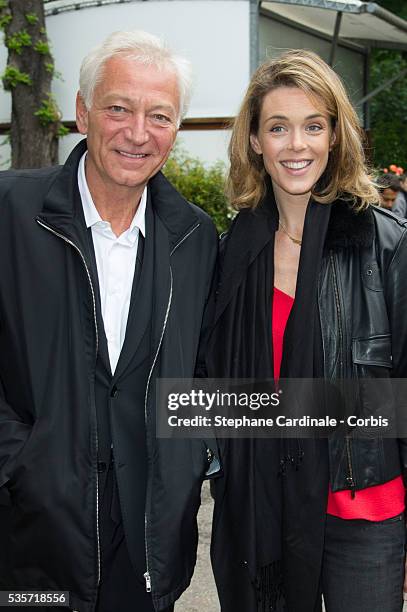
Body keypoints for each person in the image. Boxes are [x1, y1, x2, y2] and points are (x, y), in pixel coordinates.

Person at [0, 30, 219, 612]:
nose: (138, 133)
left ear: (176, 128)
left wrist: (188, 462)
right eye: (118, 108)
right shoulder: (10, 214)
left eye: (159, 115)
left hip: (147, 543)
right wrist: (22, 465)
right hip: (32, 537)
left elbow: (200, 373)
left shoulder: (197, 238)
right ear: (82, 112)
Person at [207, 50, 407, 612]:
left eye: (313, 126)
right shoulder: (232, 253)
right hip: (261, 509)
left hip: (363, 511)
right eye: (278, 127)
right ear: (254, 141)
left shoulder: (385, 246)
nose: (297, 145)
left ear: (336, 135)